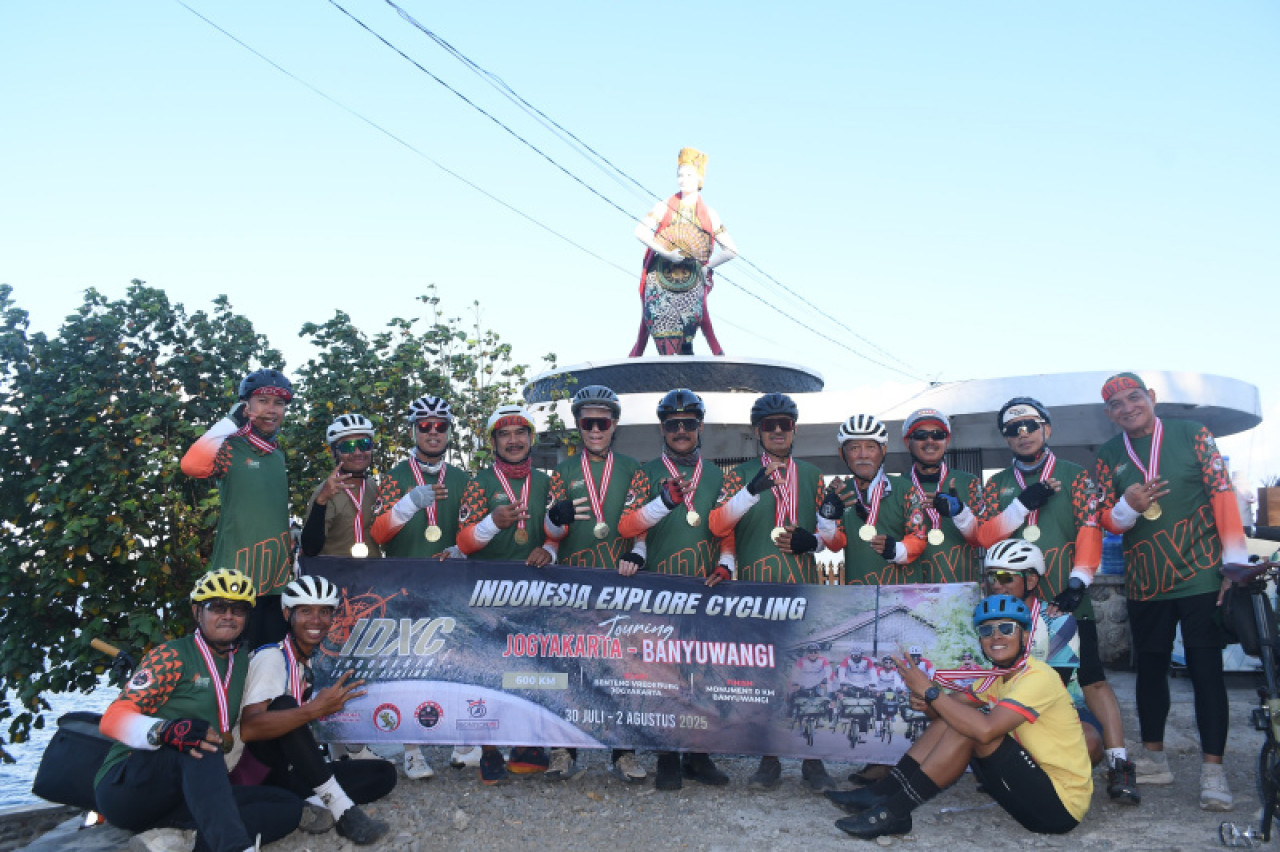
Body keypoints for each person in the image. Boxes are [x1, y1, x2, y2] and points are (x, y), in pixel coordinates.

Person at [1095, 372, 1250, 810]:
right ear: (1109, 415)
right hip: (1146, 582)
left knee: (1205, 672)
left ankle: (1213, 770)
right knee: (1150, 672)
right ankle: (1155, 759)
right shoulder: (1109, 454)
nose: (1128, 408)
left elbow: (1222, 496)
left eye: (1134, 397)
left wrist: (1234, 567)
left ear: (1152, 398)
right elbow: (1106, 519)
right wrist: (1129, 506)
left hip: (1200, 577)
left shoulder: (1193, 434)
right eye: (1117, 405)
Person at [976, 396, 1139, 804]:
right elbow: (983, 535)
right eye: (1014, 429)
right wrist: (1021, 506)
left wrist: (1079, 582)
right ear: (1006, 438)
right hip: (1012, 598)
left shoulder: (1075, 476)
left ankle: (1120, 763)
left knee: (1091, 679)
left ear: (1047, 429)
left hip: (1064, 597)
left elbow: (1089, 530)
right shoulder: (995, 485)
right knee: (1008, 678)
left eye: (1031, 425)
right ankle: (1013, 754)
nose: (1024, 434)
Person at [827, 595, 1092, 839]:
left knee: (969, 726)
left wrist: (931, 692)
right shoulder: (996, 680)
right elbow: (944, 711)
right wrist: (925, 699)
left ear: (1024, 636)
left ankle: (894, 812)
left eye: (1006, 628)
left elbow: (985, 730)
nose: (996, 636)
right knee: (958, 717)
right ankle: (883, 792)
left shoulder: (1039, 677)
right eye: (987, 631)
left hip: (1060, 808)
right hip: (1025, 800)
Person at [95, 569, 303, 852]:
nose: (228, 615)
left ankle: (179, 842)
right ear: (197, 611)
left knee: (287, 807)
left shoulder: (241, 661)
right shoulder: (171, 656)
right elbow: (112, 719)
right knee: (196, 737)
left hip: (188, 792)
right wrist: (165, 730)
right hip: (131, 787)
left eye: (238, 609)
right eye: (217, 606)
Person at [709, 393, 838, 790]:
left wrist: (813, 542)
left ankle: (813, 760)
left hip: (802, 588)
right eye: (769, 425)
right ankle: (769, 759)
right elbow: (717, 525)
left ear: (794, 428)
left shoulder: (814, 475)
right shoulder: (738, 474)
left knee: (807, 677)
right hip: (755, 587)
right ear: (757, 432)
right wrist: (750, 491)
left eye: (785, 424)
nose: (778, 431)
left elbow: (835, 541)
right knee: (765, 675)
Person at [618, 388, 731, 791]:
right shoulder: (645, 473)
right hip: (660, 587)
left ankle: (698, 756)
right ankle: (667, 755)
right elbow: (627, 527)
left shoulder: (719, 475)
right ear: (662, 429)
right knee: (662, 673)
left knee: (701, 671)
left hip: (706, 586)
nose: (681, 431)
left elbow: (728, 531)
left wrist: (726, 562)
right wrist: (661, 503)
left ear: (700, 428)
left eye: (688, 424)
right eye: (672, 424)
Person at [239, 576, 394, 844]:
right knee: (285, 705)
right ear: (288, 614)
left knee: (383, 773)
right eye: (306, 611)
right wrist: (312, 710)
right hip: (258, 772)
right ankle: (343, 811)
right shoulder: (272, 658)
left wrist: (318, 711)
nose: (316, 620)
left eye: (324, 612)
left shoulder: (303, 665)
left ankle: (306, 803)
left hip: (289, 769)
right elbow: (250, 728)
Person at [542, 385, 647, 783]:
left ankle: (624, 753)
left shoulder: (633, 468)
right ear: (578, 426)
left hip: (619, 584)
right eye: (588, 422)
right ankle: (564, 752)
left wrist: (639, 553)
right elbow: (552, 538)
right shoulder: (563, 472)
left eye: (603, 422)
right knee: (570, 670)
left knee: (621, 670)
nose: (595, 429)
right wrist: (556, 517)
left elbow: (641, 526)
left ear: (614, 424)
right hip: (574, 587)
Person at [369, 394, 471, 774]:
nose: (432, 432)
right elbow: (377, 534)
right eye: (424, 426)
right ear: (413, 430)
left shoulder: (462, 479)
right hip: (403, 586)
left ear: (448, 432)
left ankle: (465, 741)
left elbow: (472, 532)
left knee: (455, 664)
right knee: (408, 668)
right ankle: (412, 749)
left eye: (440, 426)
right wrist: (407, 504)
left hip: (450, 587)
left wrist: (461, 547)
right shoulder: (394, 477)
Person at [457, 404, 556, 783]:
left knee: (532, 667)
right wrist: (491, 524)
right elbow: (464, 542)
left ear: (531, 439)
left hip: (537, 590)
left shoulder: (549, 482)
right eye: (504, 434)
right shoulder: (478, 483)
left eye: (520, 433)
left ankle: (527, 742)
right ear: (493, 442)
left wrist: (550, 549)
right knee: (488, 669)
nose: (513, 441)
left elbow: (557, 533)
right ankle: (489, 747)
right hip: (487, 591)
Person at [181, 369, 294, 650]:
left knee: (271, 665)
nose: (271, 410)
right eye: (263, 401)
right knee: (236, 664)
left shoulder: (276, 454)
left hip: (276, 581)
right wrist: (231, 420)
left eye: (278, 404)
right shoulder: (231, 447)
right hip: (235, 579)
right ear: (246, 406)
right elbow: (192, 466)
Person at [980, 539, 1108, 772]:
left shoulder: (1058, 621)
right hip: (998, 707)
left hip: (1052, 709)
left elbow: (1055, 682)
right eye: (991, 577)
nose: (997, 585)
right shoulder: (981, 620)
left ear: (1031, 580)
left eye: (1006, 577)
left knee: (1089, 741)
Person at [628, 147, 738, 356]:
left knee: (689, 333)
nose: (683, 179)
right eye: (680, 174)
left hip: (691, 287)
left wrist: (707, 267)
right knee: (663, 333)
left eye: (689, 175)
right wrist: (666, 252)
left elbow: (732, 250)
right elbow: (640, 230)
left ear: (699, 178)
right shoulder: (664, 206)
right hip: (660, 283)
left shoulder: (709, 215)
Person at [894, 408, 983, 584]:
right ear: (907, 442)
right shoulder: (895, 487)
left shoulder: (970, 482)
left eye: (937, 434)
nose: (930, 441)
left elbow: (982, 538)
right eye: (920, 435)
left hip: (960, 591)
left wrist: (960, 513)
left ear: (947, 440)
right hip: (911, 593)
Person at [300, 414, 381, 560]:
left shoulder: (373, 486)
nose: (357, 452)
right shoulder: (324, 492)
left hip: (373, 576)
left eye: (364, 444)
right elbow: (310, 549)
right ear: (333, 453)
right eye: (347, 447)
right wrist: (322, 501)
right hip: (336, 578)